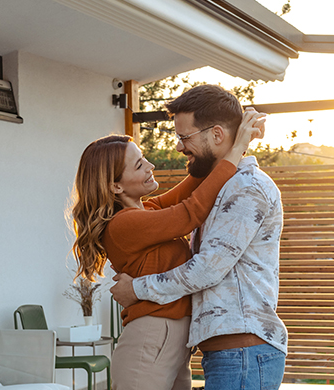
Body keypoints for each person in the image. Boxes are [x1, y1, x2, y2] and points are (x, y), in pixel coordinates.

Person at [69, 107, 264, 390]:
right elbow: (191, 212)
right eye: (138, 165)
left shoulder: (148, 210)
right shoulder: (124, 224)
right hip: (151, 338)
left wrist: (233, 142)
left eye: (144, 158)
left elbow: (197, 183)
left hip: (171, 341)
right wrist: (238, 148)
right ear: (115, 187)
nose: (150, 166)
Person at [110, 84, 287, 390]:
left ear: (216, 135)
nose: (178, 147)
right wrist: (237, 144)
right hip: (228, 350)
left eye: (184, 137)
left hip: (242, 349)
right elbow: (189, 203)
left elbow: (206, 268)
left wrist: (137, 289)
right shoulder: (221, 188)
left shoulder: (245, 187)